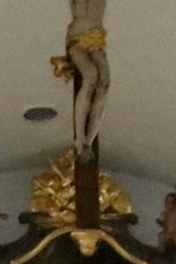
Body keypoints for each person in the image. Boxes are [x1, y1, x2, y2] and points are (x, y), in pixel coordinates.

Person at [54, 0, 109, 158]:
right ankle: (80, 137)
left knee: (104, 83)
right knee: (91, 77)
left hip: (96, 40)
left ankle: (89, 140)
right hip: (77, 39)